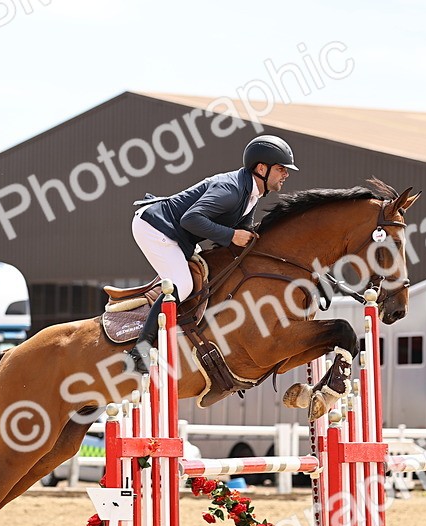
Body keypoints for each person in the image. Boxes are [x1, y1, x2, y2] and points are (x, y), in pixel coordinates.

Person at [125, 134, 299, 373]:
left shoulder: (251, 195)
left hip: (178, 234)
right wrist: (231, 235)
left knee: (208, 276)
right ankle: (140, 351)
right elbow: (191, 219)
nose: (286, 174)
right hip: (155, 227)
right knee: (182, 285)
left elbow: (244, 234)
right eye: (281, 169)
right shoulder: (231, 189)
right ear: (261, 168)